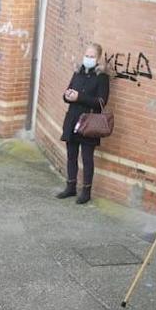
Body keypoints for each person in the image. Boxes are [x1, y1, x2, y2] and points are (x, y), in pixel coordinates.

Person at [55, 42, 111, 205]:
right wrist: (68, 95)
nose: (88, 58)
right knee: (71, 155)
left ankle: (86, 191)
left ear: (98, 59)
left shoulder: (102, 77)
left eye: (92, 56)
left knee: (87, 157)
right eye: (87, 55)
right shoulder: (78, 72)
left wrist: (79, 97)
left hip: (89, 122)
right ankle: (70, 186)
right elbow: (67, 92)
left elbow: (102, 101)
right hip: (72, 119)